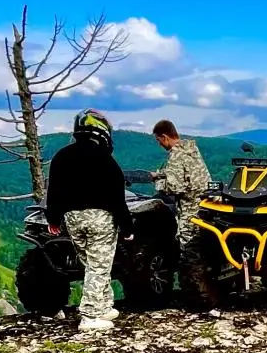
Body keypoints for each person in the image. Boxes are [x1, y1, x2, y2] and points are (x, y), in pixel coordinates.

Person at [44, 109, 133, 335]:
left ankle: (104, 306)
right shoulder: (105, 159)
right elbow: (117, 197)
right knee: (99, 265)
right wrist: (127, 227)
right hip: (99, 218)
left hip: (72, 218)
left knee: (91, 264)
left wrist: (53, 219)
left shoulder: (61, 156)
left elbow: (53, 191)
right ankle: (90, 317)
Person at [150, 119, 212, 293]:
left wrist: (158, 183)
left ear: (165, 137)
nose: (160, 144)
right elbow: (189, 175)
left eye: (159, 140)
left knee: (189, 252)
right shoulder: (191, 150)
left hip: (190, 210)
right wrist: (162, 174)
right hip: (205, 206)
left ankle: (195, 291)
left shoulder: (176, 155)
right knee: (201, 249)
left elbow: (176, 187)